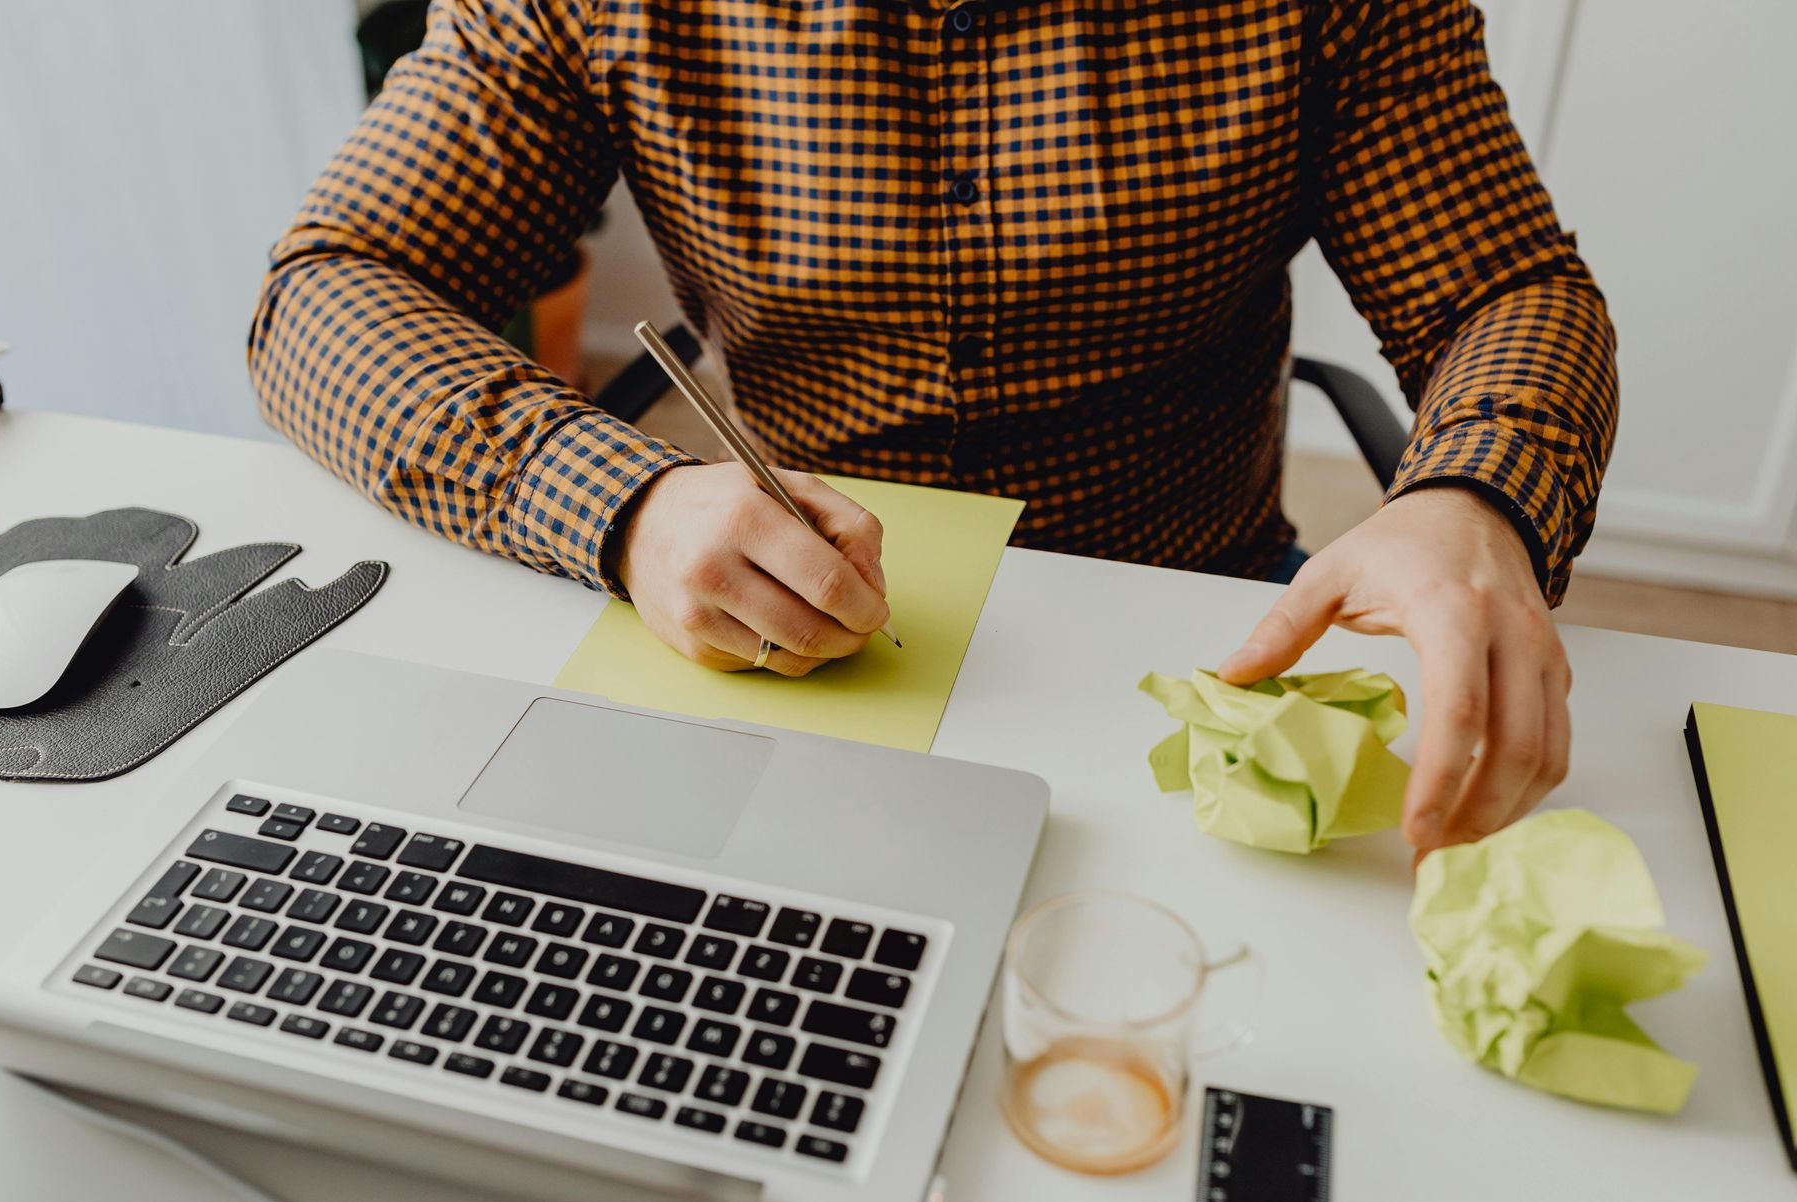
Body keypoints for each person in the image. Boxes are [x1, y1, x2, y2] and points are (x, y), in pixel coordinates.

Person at [249, 0, 1614, 854]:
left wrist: (1472, 499)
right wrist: (623, 502)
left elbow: (1508, 288)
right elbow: (326, 291)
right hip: (769, 639)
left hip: (1193, 629)